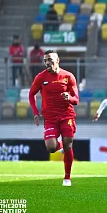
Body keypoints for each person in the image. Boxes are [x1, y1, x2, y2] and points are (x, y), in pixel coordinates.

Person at [29, 50, 79, 187]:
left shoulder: (68, 77)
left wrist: (69, 98)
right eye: (45, 60)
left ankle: (67, 177)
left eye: (50, 59)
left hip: (66, 115)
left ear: (57, 60)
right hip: (50, 117)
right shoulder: (40, 77)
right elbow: (31, 94)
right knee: (51, 147)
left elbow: (76, 100)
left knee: (69, 143)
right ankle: (61, 145)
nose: (47, 63)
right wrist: (35, 112)